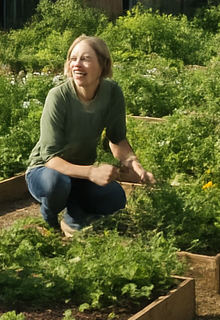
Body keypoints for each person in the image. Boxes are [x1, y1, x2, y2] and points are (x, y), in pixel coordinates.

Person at [26, 34, 154, 236]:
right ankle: (49, 216)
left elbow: (117, 139)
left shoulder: (112, 93)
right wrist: (92, 173)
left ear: (103, 65)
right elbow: (50, 158)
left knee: (115, 197)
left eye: (85, 59)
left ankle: (73, 217)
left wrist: (134, 164)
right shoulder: (58, 97)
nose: (77, 64)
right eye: (73, 58)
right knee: (56, 183)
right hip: (45, 171)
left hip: (80, 172)